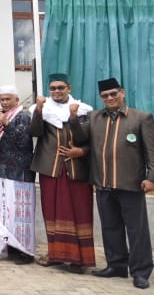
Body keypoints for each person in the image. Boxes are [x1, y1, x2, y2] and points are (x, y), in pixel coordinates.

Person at [71, 78, 154, 290]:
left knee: (137, 231)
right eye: (105, 95)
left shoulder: (141, 118)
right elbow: (81, 138)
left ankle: (141, 272)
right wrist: (73, 118)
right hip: (103, 183)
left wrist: (151, 178)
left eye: (113, 94)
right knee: (110, 228)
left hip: (131, 184)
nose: (109, 98)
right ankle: (116, 265)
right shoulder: (94, 117)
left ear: (122, 93)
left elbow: (151, 152)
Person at [30, 73, 95, 273]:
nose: (56, 91)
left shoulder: (83, 110)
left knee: (79, 211)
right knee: (52, 211)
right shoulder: (43, 109)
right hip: (50, 169)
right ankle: (55, 255)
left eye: (61, 88)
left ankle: (79, 260)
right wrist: (39, 109)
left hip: (76, 169)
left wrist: (73, 118)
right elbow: (35, 132)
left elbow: (85, 138)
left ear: (69, 88)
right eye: (53, 88)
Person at [0, 85, 35, 265]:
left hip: (20, 173)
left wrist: (7, 124)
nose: (4, 102)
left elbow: (23, 141)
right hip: (2, 171)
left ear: (17, 100)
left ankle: (25, 251)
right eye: (2, 99)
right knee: (5, 213)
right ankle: (8, 247)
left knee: (20, 213)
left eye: (8, 99)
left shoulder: (23, 116)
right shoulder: (0, 117)